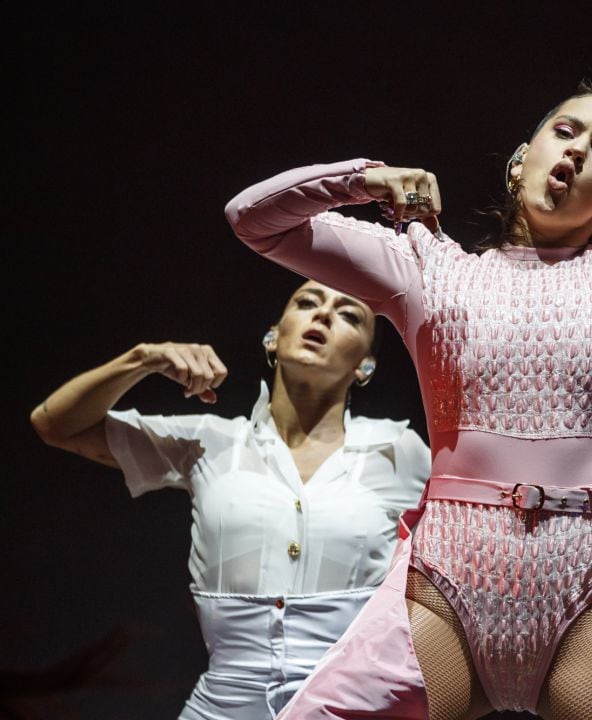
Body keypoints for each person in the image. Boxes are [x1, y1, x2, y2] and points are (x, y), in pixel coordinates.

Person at [224, 21, 592, 720]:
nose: (577, 153)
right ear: (521, 158)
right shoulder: (425, 264)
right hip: (445, 586)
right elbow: (253, 220)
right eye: (566, 131)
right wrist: (362, 180)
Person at [29, 280, 431, 719]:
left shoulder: (400, 451)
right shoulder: (211, 442)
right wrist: (142, 359)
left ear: (365, 366)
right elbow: (56, 425)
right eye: (307, 302)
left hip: (350, 710)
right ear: (273, 338)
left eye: (349, 315)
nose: (323, 315)